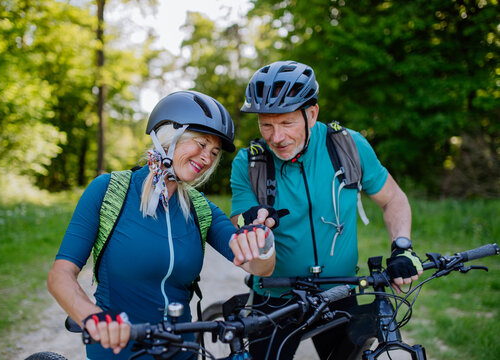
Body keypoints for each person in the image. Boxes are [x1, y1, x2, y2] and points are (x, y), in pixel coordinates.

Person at [47, 90, 276, 360]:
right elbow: (60, 276)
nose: (207, 157)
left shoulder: (200, 209)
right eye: (201, 144)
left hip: (184, 353)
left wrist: (262, 244)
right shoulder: (109, 191)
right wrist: (93, 319)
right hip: (119, 351)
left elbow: (257, 266)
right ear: (168, 137)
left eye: (214, 152)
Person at [230, 60, 423, 359]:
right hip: (274, 296)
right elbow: (238, 218)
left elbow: (393, 199)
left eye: (286, 123)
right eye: (266, 124)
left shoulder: (347, 146)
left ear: (312, 113)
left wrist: (402, 246)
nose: (276, 137)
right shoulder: (250, 162)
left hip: (341, 292)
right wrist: (250, 219)